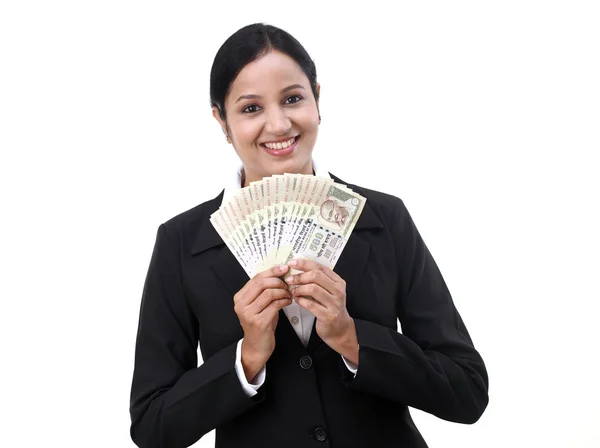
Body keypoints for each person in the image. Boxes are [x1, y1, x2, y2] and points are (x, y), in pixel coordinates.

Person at [129, 23, 489, 448]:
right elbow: (152, 426)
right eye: (250, 109)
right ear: (221, 121)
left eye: (293, 99)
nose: (279, 124)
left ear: (318, 98)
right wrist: (246, 360)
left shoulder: (384, 218)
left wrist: (351, 338)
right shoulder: (182, 243)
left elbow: (467, 391)